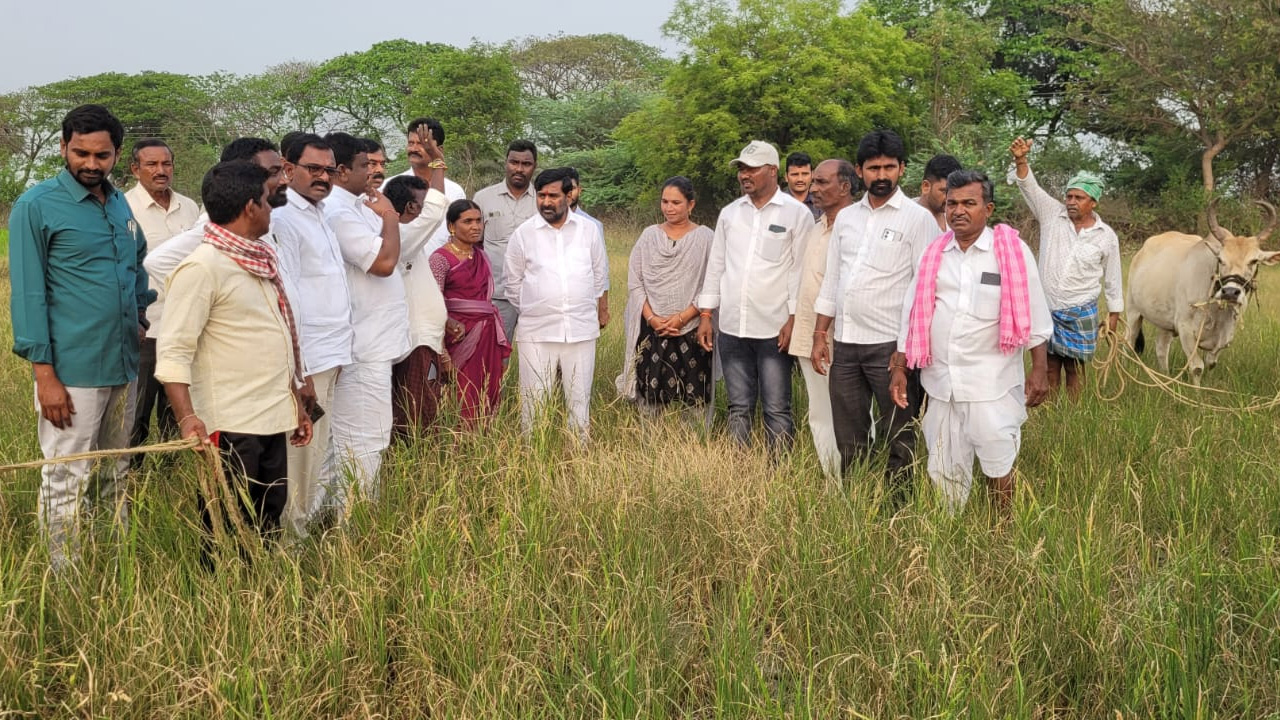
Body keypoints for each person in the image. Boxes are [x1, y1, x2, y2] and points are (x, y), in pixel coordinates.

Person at [8, 104, 153, 569]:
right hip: (71, 370)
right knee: (67, 474)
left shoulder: (119, 202)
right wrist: (44, 375)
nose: (91, 164)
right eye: (81, 153)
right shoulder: (37, 205)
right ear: (63, 147)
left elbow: (137, 261)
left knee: (116, 468)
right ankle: (64, 575)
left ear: (117, 154)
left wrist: (140, 313)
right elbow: (29, 294)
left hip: (123, 363)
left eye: (102, 155)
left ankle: (116, 562)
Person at [156, 160, 312, 544]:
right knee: (228, 523)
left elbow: (274, 338)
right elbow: (173, 352)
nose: (271, 208)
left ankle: (260, 598)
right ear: (249, 207)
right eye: (266, 199)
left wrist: (295, 402)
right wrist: (188, 418)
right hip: (230, 423)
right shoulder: (202, 268)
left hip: (271, 416)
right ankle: (223, 597)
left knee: (268, 518)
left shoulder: (259, 260)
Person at [890, 170, 1052, 513]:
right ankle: (949, 533)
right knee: (944, 466)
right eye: (951, 203)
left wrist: (1040, 369)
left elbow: (1037, 314)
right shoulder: (934, 253)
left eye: (969, 203)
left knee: (998, 461)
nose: (958, 211)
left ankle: (1000, 533)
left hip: (991, 384)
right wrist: (900, 365)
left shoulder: (1010, 251)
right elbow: (912, 312)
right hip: (942, 384)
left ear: (988, 208)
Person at [811, 130, 939, 504]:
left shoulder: (918, 220)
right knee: (848, 434)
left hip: (890, 347)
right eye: (873, 168)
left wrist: (903, 355)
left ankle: (898, 508)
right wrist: (821, 333)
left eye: (889, 167)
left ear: (902, 169)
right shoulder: (847, 218)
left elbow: (922, 292)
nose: (881, 175)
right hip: (846, 344)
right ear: (859, 171)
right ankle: (858, 503)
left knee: (898, 434)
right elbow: (833, 277)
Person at [696, 140, 816, 453]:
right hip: (733, 327)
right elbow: (717, 265)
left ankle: (778, 472)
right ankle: (740, 470)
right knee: (738, 406)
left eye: (752, 168)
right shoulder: (730, 214)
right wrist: (707, 315)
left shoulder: (796, 214)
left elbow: (798, 272)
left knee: (776, 408)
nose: (744, 175)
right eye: (741, 169)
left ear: (773, 171)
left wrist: (793, 319)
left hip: (774, 328)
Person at [269, 133, 354, 540]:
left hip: (334, 353)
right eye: (313, 169)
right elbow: (287, 298)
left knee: (320, 453)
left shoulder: (320, 212)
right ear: (288, 168)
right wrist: (297, 370)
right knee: (301, 460)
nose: (323, 177)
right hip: (310, 361)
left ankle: (309, 530)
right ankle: (290, 547)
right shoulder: (283, 218)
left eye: (329, 170)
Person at [322, 131, 412, 504]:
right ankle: (353, 514)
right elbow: (383, 263)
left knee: (365, 433)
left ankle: (350, 509)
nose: (374, 172)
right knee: (364, 435)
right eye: (366, 165)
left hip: (376, 341)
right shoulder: (339, 211)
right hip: (364, 344)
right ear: (342, 171)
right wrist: (391, 216)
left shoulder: (359, 205)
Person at [1010, 137, 1123, 400]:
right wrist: (1021, 159)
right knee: (1048, 366)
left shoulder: (1106, 236)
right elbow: (1030, 187)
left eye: (1079, 197)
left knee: (1075, 368)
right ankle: (1050, 410)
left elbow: (1113, 278)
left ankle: (1074, 413)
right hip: (1047, 307)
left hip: (1081, 308)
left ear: (1092, 202)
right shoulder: (1052, 214)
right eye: (1069, 196)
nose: (1071, 201)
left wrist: (1114, 314)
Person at [505, 168, 608, 440]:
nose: (546, 202)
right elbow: (512, 284)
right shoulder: (523, 234)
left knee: (579, 401)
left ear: (569, 195)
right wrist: (537, 308)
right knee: (534, 403)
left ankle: (578, 457)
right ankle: (533, 457)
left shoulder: (589, 231)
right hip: (537, 333)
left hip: (581, 331)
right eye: (541, 195)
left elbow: (599, 276)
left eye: (553, 195)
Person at [123, 138, 201, 460]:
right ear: (135, 169)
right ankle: (134, 479)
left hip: (184, 325)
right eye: (152, 164)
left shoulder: (190, 207)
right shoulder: (123, 207)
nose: (160, 171)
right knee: (137, 412)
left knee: (177, 410)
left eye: (166, 164)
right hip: (147, 327)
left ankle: (168, 479)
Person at [616, 176, 715, 416]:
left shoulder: (705, 238)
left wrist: (683, 317)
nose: (669, 208)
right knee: (650, 394)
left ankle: (694, 447)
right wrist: (652, 318)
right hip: (654, 328)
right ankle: (652, 447)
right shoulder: (649, 236)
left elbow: (711, 283)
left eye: (676, 202)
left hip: (693, 327)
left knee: (695, 397)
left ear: (691, 205)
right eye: (664, 202)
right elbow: (635, 282)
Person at [788, 159, 855, 481]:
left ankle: (857, 481)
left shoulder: (858, 228)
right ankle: (834, 483)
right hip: (808, 335)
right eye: (812, 182)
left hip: (845, 339)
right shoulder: (815, 228)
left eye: (821, 182)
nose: (812, 188)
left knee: (852, 414)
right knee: (819, 413)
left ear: (845, 186)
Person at [384, 128, 450, 439]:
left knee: (420, 405)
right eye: (421, 202)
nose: (426, 206)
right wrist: (437, 163)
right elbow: (436, 211)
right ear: (411, 208)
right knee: (416, 412)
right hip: (415, 342)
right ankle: (415, 464)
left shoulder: (403, 236)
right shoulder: (402, 235)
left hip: (423, 339)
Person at [429, 199, 512, 423]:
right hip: (457, 336)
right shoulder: (440, 259)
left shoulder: (481, 255)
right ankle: (459, 445)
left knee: (488, 389)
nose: (476, 226)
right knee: (461, 392)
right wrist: (443, 354)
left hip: (487, 335)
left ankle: (484, 441)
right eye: (467, 221)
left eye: (478, 221)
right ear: (451, 226)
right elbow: (433, 305)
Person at [474, 139, 538, 341]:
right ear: (506, 163)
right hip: (497, 295)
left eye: (526, 164)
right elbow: (474, 245)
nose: (519, 169)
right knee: (495, 355)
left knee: (539, 356)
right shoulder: (483, 198)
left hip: (536, 295)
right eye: (514, 162)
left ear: (534, 166)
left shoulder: (543, 200)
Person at [386, 118, 468, 256]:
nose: (413, 149)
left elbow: (460, 234)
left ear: (439, 150)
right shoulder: (391, 186)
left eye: (422, 144)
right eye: (411, 143)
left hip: (446, 268)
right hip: (404, 267)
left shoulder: (455, 191)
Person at [916, 153, 963, 231]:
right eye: (944, 191)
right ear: (926, 186)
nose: (950, 198)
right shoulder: (906, 217)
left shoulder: (956, 218)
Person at [784, 151, 821, 220]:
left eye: (805, 174)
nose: (800, 179)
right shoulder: (777, 203)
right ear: (786, 177)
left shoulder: (822, 203)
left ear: (812, 175)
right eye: (795, 174)